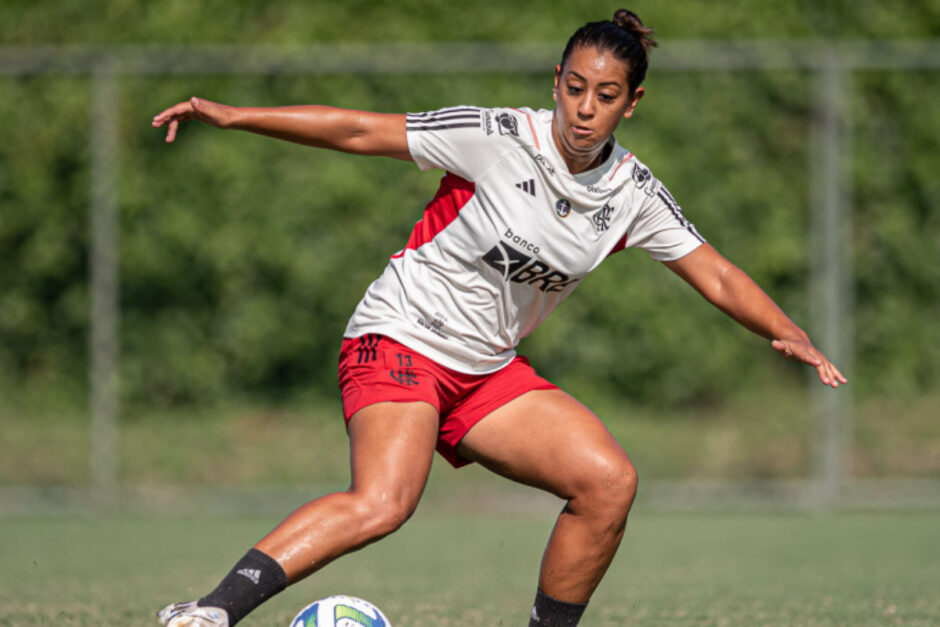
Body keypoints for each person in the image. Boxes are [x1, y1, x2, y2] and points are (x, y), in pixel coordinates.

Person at [151, 9, 846, 627]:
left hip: (483, 371)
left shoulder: (631, 192)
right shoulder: (498, 136)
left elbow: (717, 272)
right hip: (401, 335)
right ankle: (210, 611)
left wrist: (789, 331)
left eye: (605, 96)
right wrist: (238, 115)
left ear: (631, 104)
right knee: (385, 501)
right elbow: (363, 130)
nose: (584, 109)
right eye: (574, 88)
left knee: (607, 482)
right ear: (556, 81)